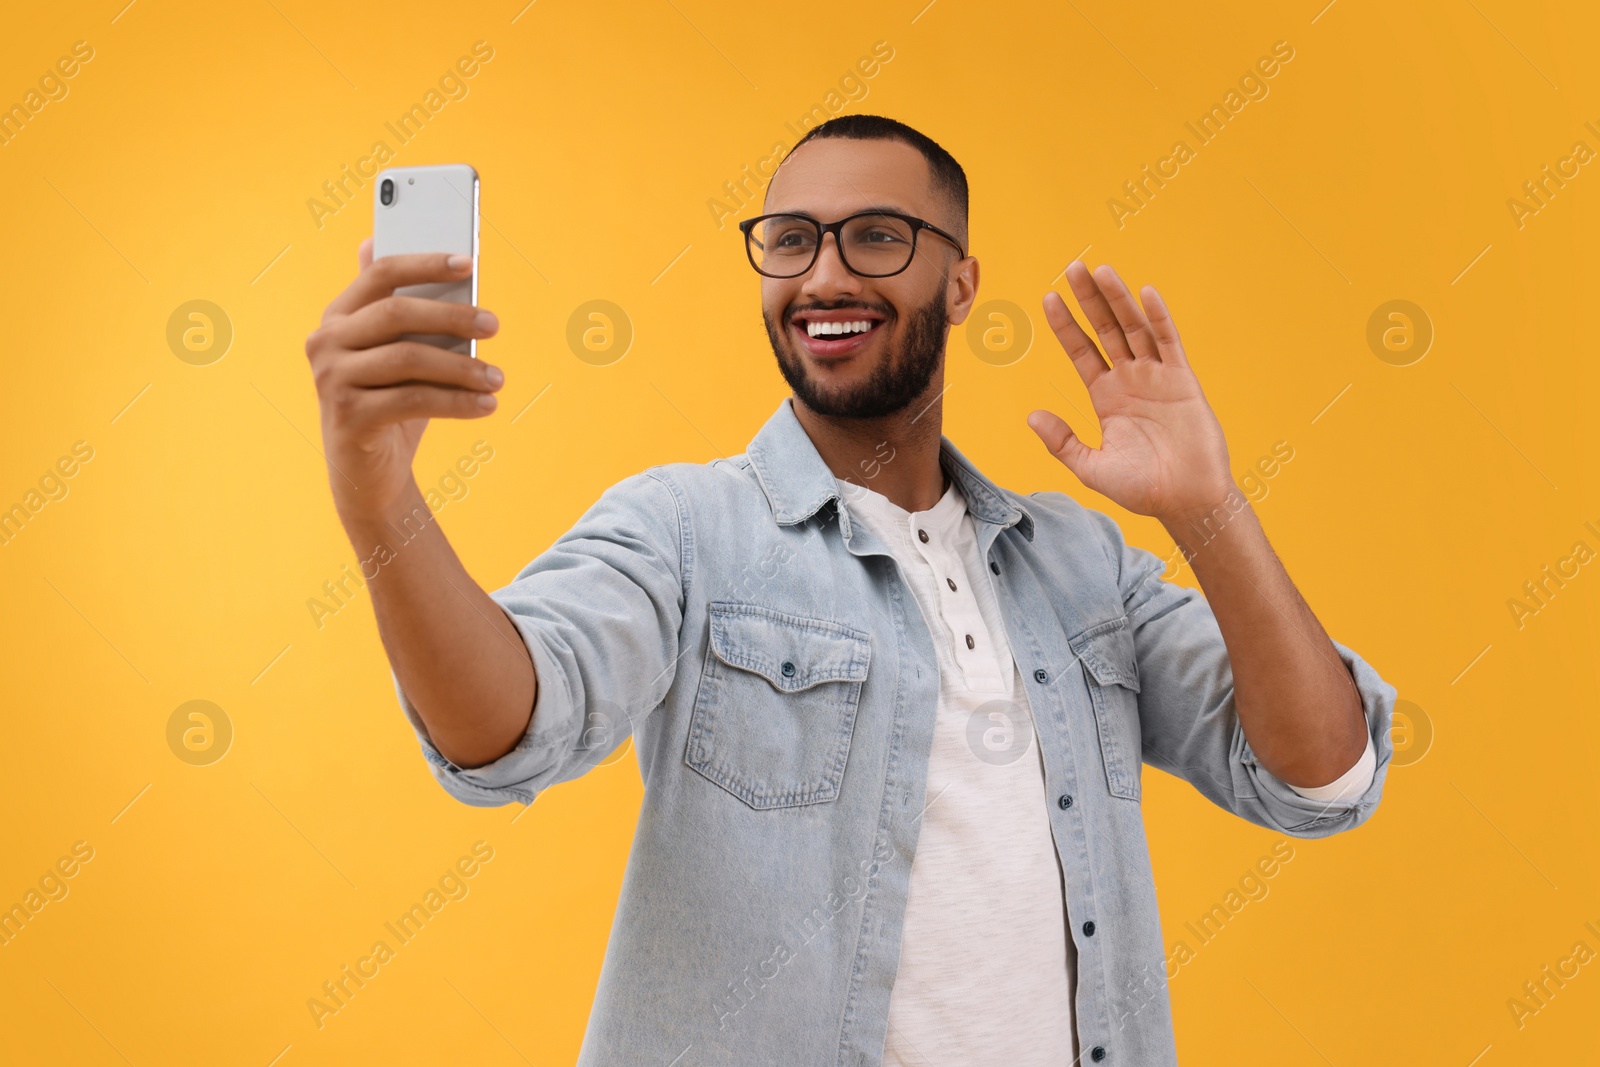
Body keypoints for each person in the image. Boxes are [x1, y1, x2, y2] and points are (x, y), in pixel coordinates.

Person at [304, 114, 1394, 1066]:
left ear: (959, 281)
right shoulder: (684, 529)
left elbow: (1322, 774)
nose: (824, 275)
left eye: (877, 235)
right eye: (790, 240)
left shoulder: (1082, 562)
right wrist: (378, 501)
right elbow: (506, 729)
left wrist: (1207, 509)